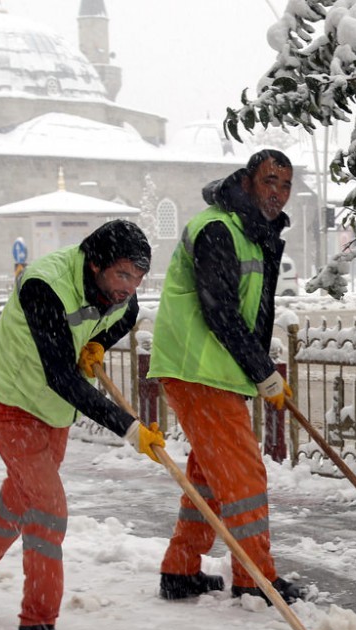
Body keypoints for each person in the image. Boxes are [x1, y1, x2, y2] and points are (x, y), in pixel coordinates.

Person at [0, 219, 165, 630]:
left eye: (138, 278)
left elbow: (129, 314)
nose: (129, 287)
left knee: (25, 497)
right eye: (123, 275)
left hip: (52, 412)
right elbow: (62, 375)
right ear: (96, 263)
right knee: (47, 507)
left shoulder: (123, 291)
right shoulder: (44, 285)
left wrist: (100, 342)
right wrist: (127, 426)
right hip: (9, 402)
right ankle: (38, 621)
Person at [148, 149, 304, 606]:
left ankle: (180, 570)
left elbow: (256, 312)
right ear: (249, 181)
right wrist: (263, 371)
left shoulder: (256, 233)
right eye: (269, 181)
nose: (277, 193)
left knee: (211, 477)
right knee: (244, 476)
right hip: (198, 368)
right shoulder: (219, 228)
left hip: (215, 370)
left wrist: (256, 371)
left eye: (285, 185)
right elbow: (221, 312)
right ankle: (255, 578)